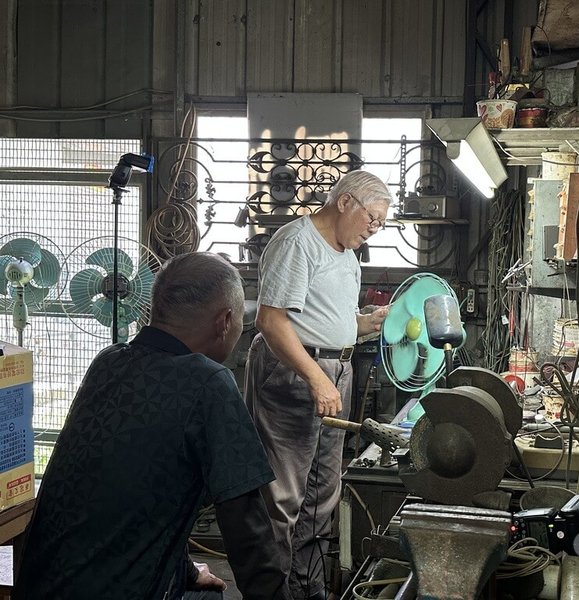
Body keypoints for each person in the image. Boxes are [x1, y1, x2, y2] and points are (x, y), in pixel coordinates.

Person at [15, 252, 289, 600]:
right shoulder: (208, 383)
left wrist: (187, 571)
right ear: (225, 321)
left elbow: (126, 498)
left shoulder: (109, 362)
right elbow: (248, 531)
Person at [244, 170, 392, 599]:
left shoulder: (346, 254)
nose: (374, 229)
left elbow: (325, 320)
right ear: (345, 202)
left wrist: (364, 325)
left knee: (320, 497)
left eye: (381, 224)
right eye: (373, 219)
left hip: (333, 373)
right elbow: (271, 321)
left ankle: (306, 590)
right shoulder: (298, 243)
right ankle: (271, 593)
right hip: (295, 374)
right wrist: (315, 377)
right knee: (283, 496)